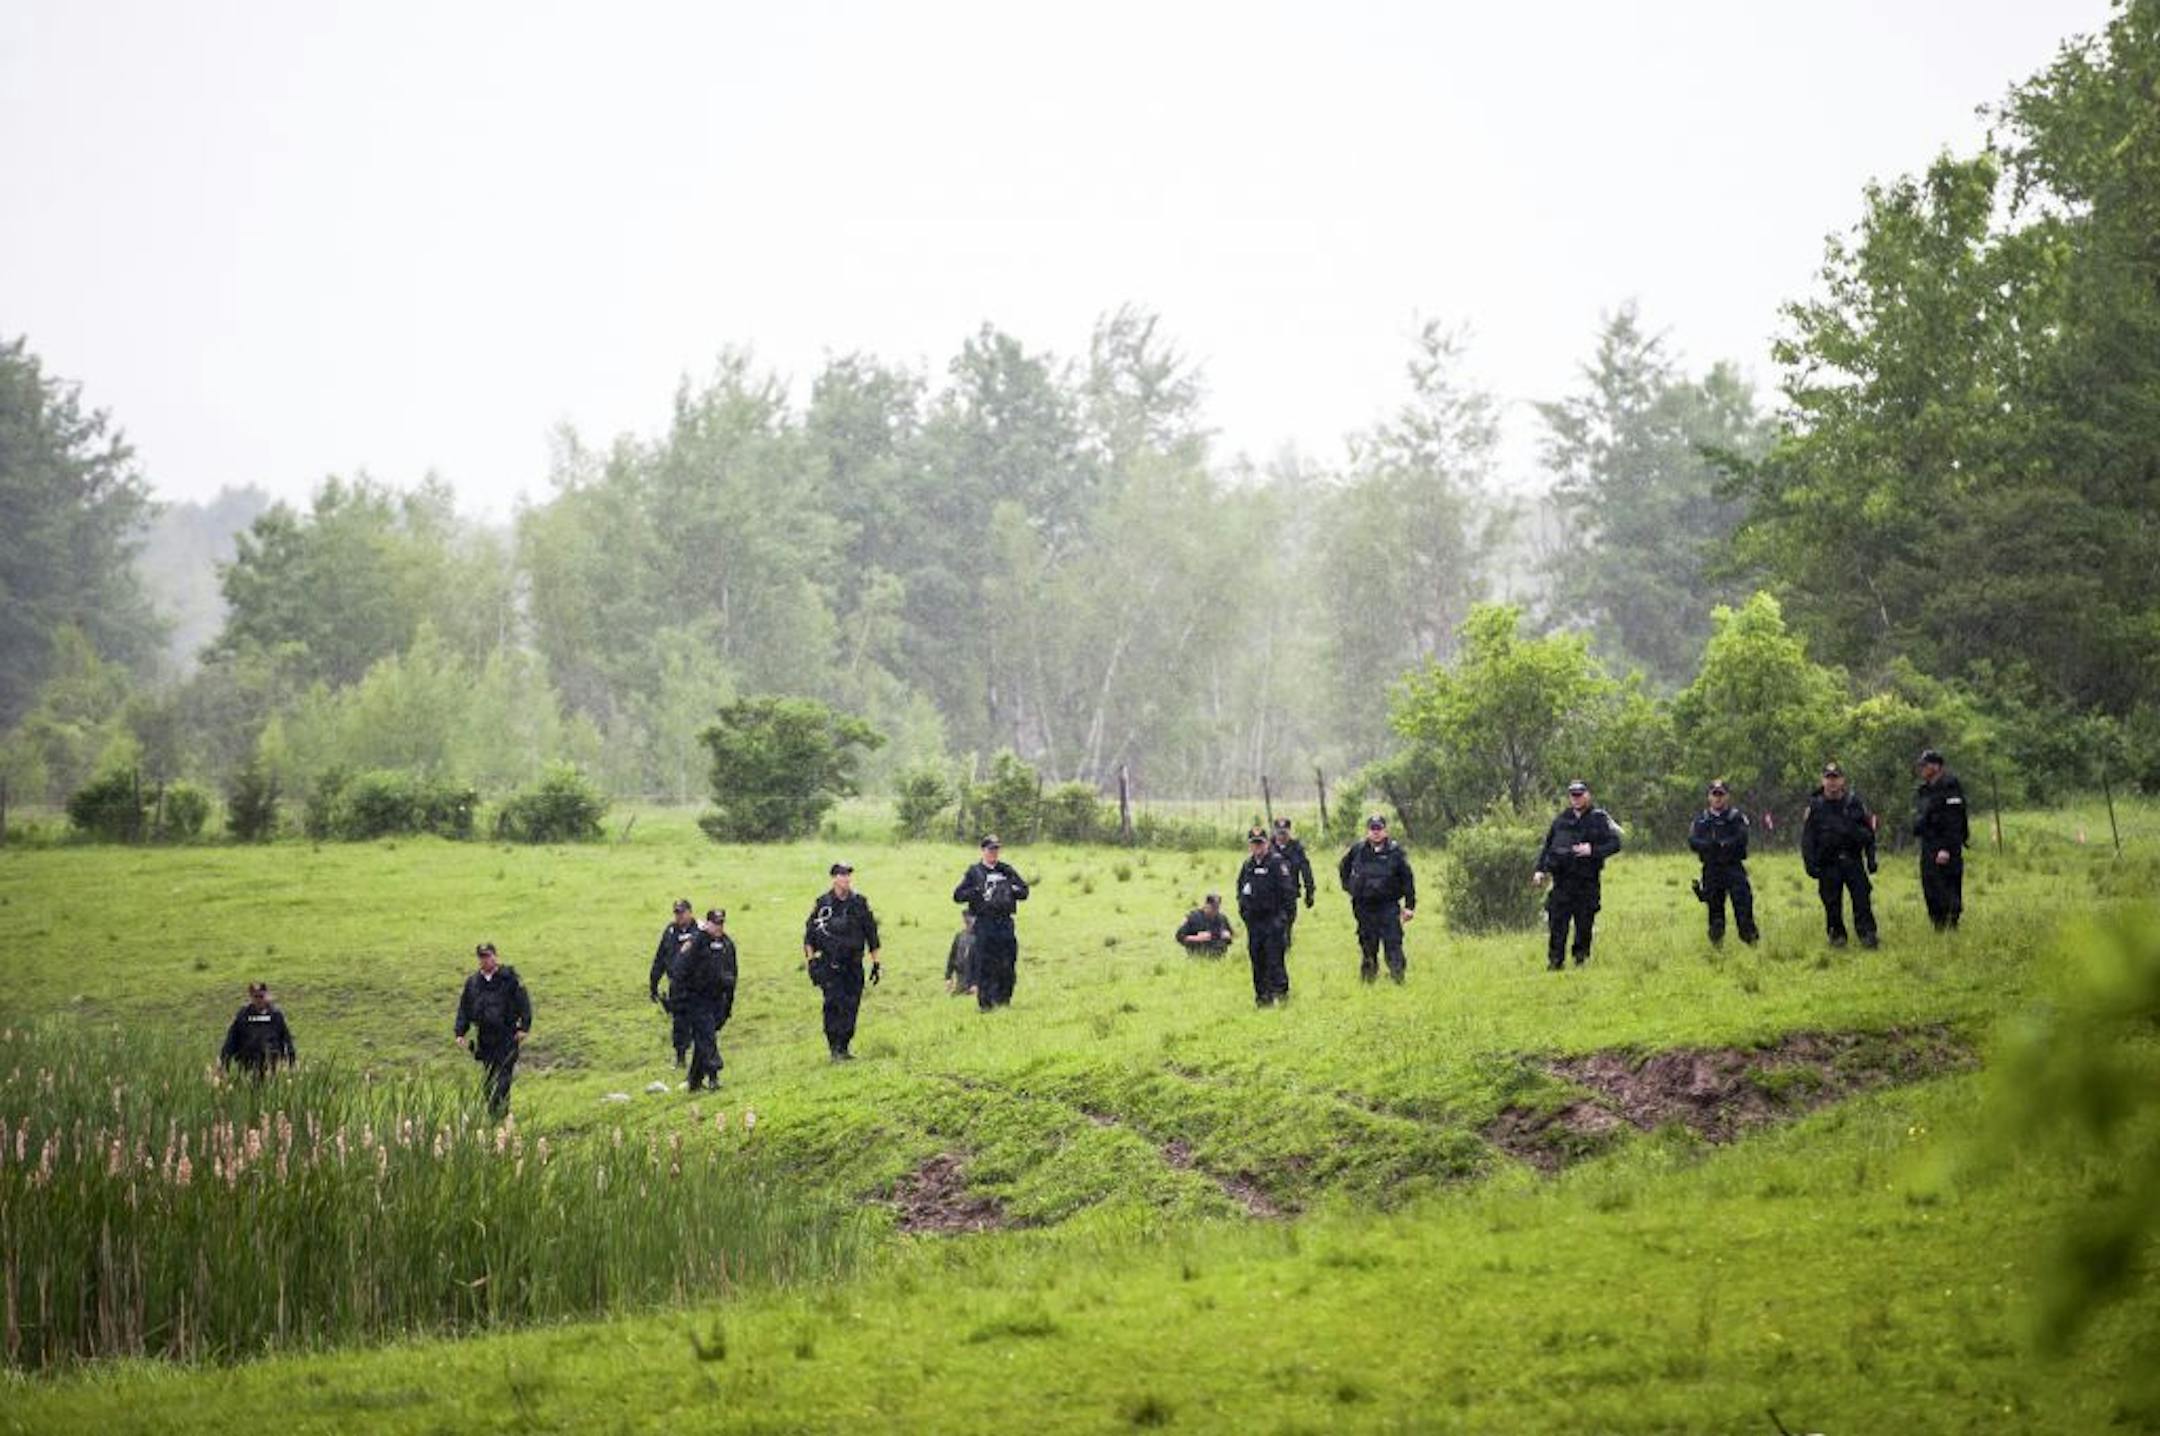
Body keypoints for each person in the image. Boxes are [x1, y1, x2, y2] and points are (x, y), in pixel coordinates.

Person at [1532, 781, 1623, 970]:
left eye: (1580, 794)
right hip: (1562, 881)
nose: (1576, 798)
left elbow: (1615, 844)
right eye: (1573, 795)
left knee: (1584, 922)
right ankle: (1555, 961)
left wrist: (1592, 850)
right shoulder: (1561, 820)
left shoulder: (1599, 819)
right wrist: (1540, 870)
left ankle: (1580, 959)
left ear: (1588, 795)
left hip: (1586, 881)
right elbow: (1547, 847)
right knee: (1557, 922)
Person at [805, 862, 881, 1061]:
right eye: (841, 874)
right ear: (834, 878)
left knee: (851, 1005)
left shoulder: (859, 903)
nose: (846, 878)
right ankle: (834, 1047)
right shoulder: (823, 904)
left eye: (848, 874)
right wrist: (811, 961)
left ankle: (845, 1046)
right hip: (831, 965)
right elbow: (809, 936)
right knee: (833, 1004)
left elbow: (871, 933)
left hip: (854, 964)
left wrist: (876, 962)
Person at [1800, 761, 1879, 948]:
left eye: (1835, 778)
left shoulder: (1854, 803)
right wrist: (1809, 864)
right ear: (1823, 780)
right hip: (1828, 864)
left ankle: (1867, 935)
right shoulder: (1815, 807)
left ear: (1842, 780)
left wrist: (1871, 858)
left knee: (1862, 900)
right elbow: (1808, 839)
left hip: (1852, 860)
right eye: (1828, 778)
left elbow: (1869, 834)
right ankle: (1837, 937)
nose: (1832, 782)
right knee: (1831, 903)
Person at [453, 942, 531, 1118]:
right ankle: (496, 1115)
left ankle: (499, 1115)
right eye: (482, 957)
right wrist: (460, 1032)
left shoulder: (510, 979)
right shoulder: (473, 983)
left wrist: (524, 1027)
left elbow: (524, 1003)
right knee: (488, 1080)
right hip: (485, 1038)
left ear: (495, 956)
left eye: (488, 956)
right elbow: (464, 1007)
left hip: (507, 1035)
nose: (485, 960)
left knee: (504, 1078)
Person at [1337, 814, 1417, 983]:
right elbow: (1343, 868)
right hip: (1364, 906)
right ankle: (1368, 979)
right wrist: (1350, 887)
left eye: (1379, 829)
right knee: (1367, 943)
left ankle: (1398, 978)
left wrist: (1410, 906)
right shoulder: (1358, 850)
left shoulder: (1395, 852)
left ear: (1385, 831)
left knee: (1393, 942)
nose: (1376, 833)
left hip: (1388, 906)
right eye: (1372, 829)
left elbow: (1408, 879)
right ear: (1368, 831)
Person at [954, 836, 1030, 1010]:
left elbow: (1024, 891)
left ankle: (1003, 1000)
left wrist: (1011, 889)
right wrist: (976, 892)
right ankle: (986, 1003)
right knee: (986, 963)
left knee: (1007, 962)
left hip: (1004, 923)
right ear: (983, 851)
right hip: (984, 923)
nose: (993, 853)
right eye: (990, 849)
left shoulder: (1006, 870)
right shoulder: (974, 872)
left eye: (996, 849)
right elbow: (958, 896)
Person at [1688, 779, 1759, 946]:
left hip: (1733, 867)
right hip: (1712, 869)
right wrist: (1709, 846)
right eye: (1715, 795)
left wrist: (1724, 845)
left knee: (1743, 907)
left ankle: (1752, 943)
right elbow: (1693, 842)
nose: (1718, 798)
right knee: (1715, 913)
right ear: (1709, 797)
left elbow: (1742, 838)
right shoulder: (1701, 820)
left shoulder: (1736, 817)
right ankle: (1717, 946)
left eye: (1721, 795)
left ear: (1727, 797)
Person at [677, 908, 737, 1090]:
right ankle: (713, 1076)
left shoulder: (727, 944)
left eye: (721, 923)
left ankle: (694, 1081)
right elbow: (680, 969)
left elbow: (734, 973)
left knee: (704, 1038)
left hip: (718, 999)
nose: (718, 927)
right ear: (708, 923)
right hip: (697, 999)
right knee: (707, 1036)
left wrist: (729, 1002)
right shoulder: (696, 942)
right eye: (715, 923)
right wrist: (681, 999)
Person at [1912, 748, 1970, 932]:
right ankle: (1937, 924)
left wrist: (1946, 848)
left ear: (1936, 767)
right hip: (1929, 845)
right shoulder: (1924, 790)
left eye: (1925, 765)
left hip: (1946, 846)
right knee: (1931, 886)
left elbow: (1954, 821)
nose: (1922, 769)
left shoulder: (1950, 786)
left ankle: (1951, 925)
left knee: (1948, 886)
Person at [1238, 828, 1298, 1005]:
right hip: (1254, 923)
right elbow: (1240, 891)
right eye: (1254, 843)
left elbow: (1288, 893)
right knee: (1257, 960)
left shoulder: (1277, 864)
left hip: (1273, 920)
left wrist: (1283, 920)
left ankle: (1281, 994)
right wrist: (1245, 913)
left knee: (1274, 959)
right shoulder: (1247, 866)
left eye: (1260, 843)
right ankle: (1262, 997)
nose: (1257, 847)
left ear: (1267, 843)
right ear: (1250, 845)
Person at [647, 898, 699, 1067]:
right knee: (679, 1021)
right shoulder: (670, 932)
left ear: (690, 912)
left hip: (696, 984)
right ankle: (681, 1058)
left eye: (682, 912)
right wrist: (654, 983)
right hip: (676, 984)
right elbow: (660, 958)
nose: (680, 916)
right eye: (677, 913)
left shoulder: (700, 930)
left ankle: (701, 1057)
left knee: (699, 1020)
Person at [219, 981, 296, 1075]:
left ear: (266, 996)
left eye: (261, 996)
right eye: (256, 997)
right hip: (247, 1065)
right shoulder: (243, 1015)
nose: (259, 1000)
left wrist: (291, 1060)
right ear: (251, 997)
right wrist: (224, 1062)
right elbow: (231, 1039)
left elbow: (286, 1038)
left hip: (271, 1065)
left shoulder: (275, 1015)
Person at [1270, 818, 1317, 948]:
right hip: (1271, 893)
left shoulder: (1296, 848)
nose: (1281, 836)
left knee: (1288, 921)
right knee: (1273, 922)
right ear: (1274, 832)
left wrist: (1310, 891)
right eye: (1279, 833)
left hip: (1290, 892)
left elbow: (1305, 869)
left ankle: (1286, 945)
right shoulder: (1268, 847)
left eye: (1284, 833)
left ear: (1289, 832)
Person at [1174, 892, 1236, 957]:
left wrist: (1227, 935)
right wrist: (1197, 938)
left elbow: (1231, 936)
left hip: (1219, 957)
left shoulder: (1222, 918)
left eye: (1217, 907)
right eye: (1213, 907)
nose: (1215, 911)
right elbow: (1179, 937)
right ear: (1206, 905)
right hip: (1198, 956)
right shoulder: (1192, 917)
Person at [945, 912, 979, 997]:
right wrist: (948, 977)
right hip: (961, 979)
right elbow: (952, 957)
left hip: (975, 982)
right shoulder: (959, 936)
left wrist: (976, 983)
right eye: (966, 919)